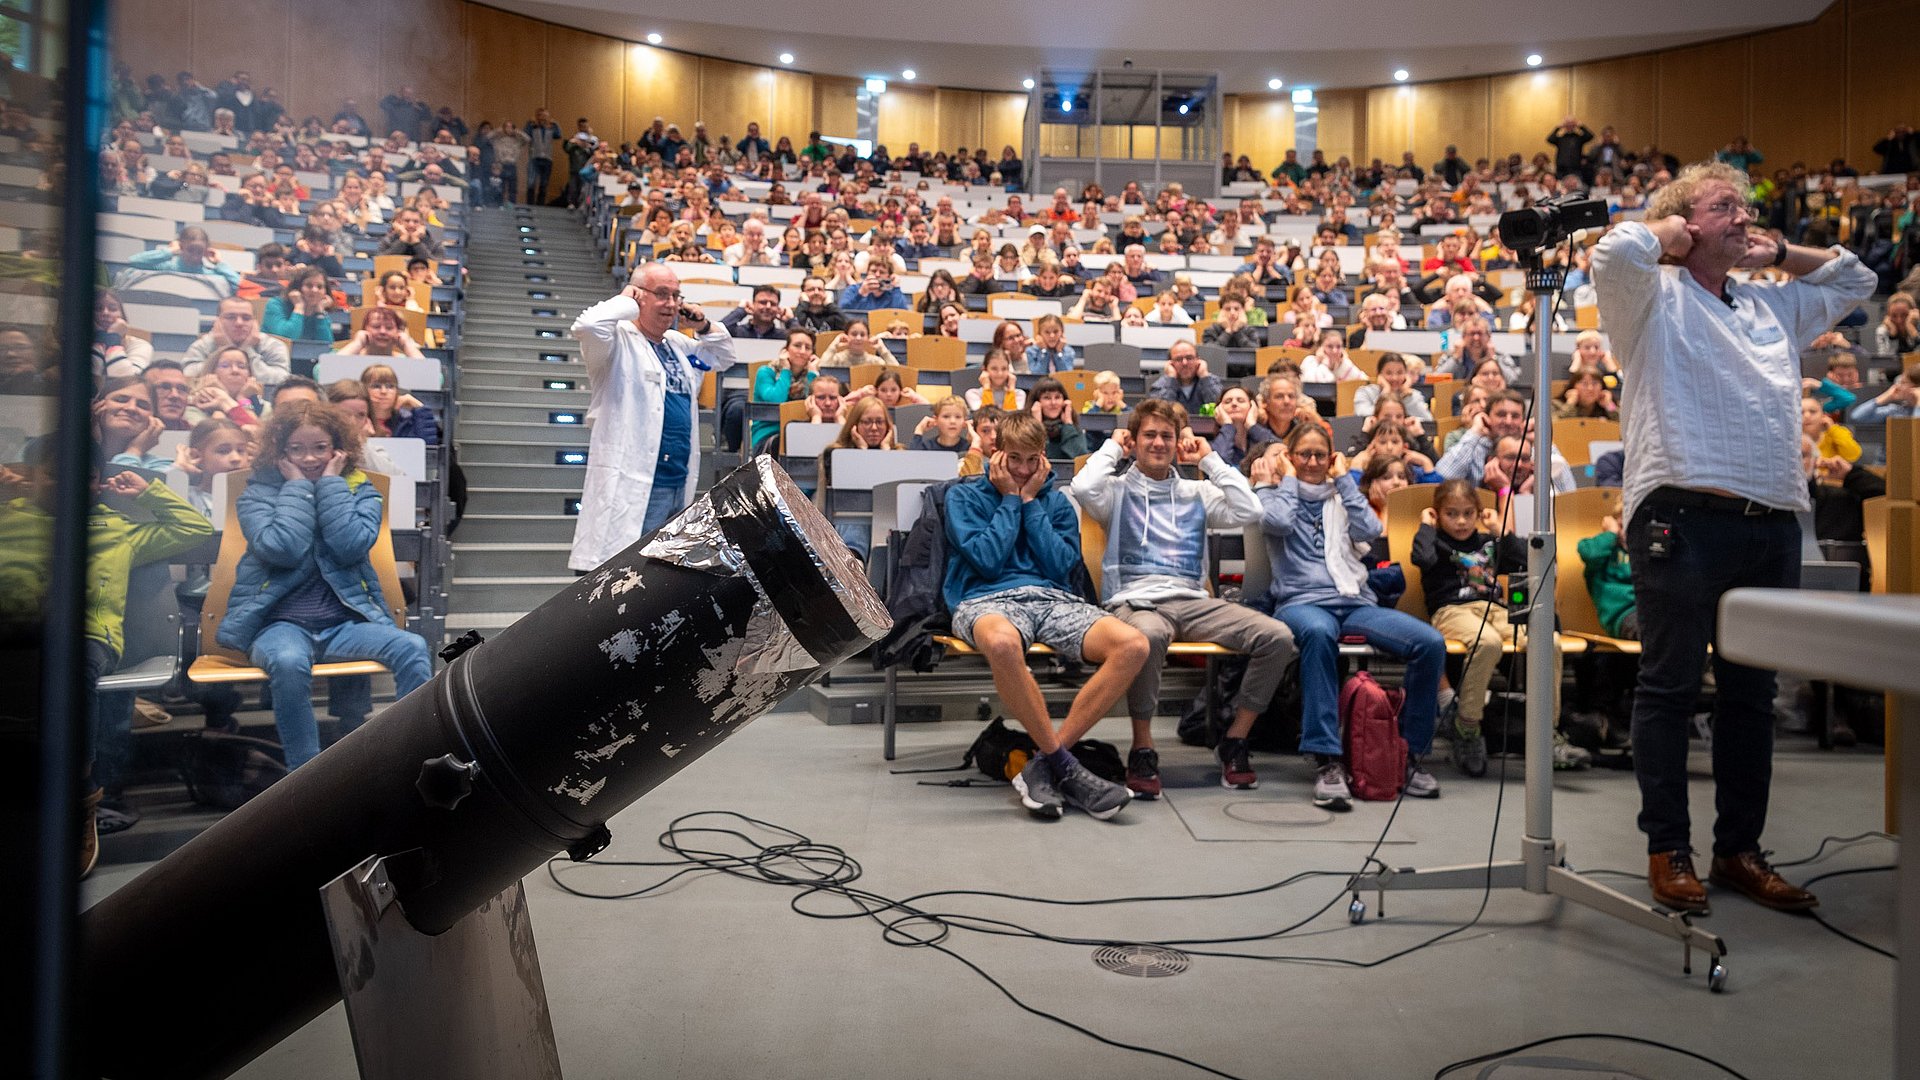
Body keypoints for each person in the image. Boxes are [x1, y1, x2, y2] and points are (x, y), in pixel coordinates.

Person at [1590, 160, 1875, 915]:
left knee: (1752, 696)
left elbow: (1857, 284)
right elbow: (1612, 251)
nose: (1744, 215)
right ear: (1684, 225)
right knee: (1670, 687)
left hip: (1771, 522)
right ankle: (1668, 848)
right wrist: (1674, 233)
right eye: (1724, 207)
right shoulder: (1651, 296)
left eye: (1746, 206)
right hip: (1681, 517)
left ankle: (1739, 851)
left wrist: (1778, 255)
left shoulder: (1768, 307)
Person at [1072, 400, 1292, 796]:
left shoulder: (1197, 491)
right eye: (1149, 435)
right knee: (1149, 637)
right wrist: (1112, 447)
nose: (1158, 443)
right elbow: (1083, 486)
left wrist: (1209, 461)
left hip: (1193, 601)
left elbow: (1250, 508)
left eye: (1166, 436)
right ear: (1134, 441)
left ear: (1178, 443)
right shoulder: (1116, 492)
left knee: (1277, 637)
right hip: (1135, 601)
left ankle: (1235, 739)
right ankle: (1143, 745)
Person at [942, 411, 1147, 820]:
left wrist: (1031, 502)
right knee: (1002, 643)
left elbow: (1060, 567)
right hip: (985, 599)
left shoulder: (1054, 501)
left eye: (1031, 460)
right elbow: (986, 560)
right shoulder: (962, 496)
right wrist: (1009, 500)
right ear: (997, 454)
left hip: (1054, 599)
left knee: (1133, 645)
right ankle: (1065, 765)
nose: (1021, 469)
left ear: (1043, 459)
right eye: (1013, 459)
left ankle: (1045, 763)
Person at [215, 401, 432, 770]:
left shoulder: (363, 490)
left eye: (319, 448)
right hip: (277, 624)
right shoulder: (256, 494)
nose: (310, 458)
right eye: (296, 449)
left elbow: (349, 546)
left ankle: (414, 755)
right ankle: (306, 775)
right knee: (286, 662)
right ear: (280, 451)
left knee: (413, 647)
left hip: (343, 623)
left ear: (337, 449)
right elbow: (282, 548)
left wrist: (330, 485)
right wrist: (299, 490)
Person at [1254, 424, 1445, 809]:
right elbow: (1278, 524)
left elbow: (1371, 530)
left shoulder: (1344, 495)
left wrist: (1343, 481)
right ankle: (1327, 759)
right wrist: (1288, 480)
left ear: (1332, 459)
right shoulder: (1273, 495)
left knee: (1429, 643)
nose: (1312, 462)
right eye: (1303, 454)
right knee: (1320, 634)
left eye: (1319, 455)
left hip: (1356, 601)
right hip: (1301, 602)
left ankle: (1410, 753)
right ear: (1291, 459)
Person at [567, 265, 738, 573]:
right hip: (634, 481)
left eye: (676, 295)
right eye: (661, 294)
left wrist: (703, 325)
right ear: (638, 296)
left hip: (676, 479)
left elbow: (723, 357)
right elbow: (588, 325)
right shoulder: (615, 342)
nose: (671, 304)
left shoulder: (677, 344)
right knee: (624, 576)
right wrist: (626, 301)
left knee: (657, 578)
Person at [1412, 479, 1580, 777]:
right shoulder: (1435, 542)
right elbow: (1422, 559)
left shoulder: (1487, 542)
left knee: (1548, 640)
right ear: (1438, 514)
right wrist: (1427, 525)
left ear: (1479, 512)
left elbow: (1526, 560)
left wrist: (1500, 529)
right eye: (1451, 514)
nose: (1461, 521)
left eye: (1468, 513)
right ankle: (1467, 726)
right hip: (1452, 611)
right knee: (1487, 642)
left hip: (1496, 609)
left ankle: (1546, 732)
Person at [750, 328, 817, 453]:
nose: (802, 351)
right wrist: (785, 370)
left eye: (808, 348)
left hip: (801, 432)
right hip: (768, 435)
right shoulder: (766, 372)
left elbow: (813, 403)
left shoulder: (812, 376)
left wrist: (812, 375)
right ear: (785, 350)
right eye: (797, 346)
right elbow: (777, 400)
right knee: (783, 442)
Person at [360, 363, 438, 441]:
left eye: (390, 386)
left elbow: (427, 447)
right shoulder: (357, 420)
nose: (383, 391)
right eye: (376, 386)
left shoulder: (406, 420)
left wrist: (417, 406)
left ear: (397, 391)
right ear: (364, 390)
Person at [261, 267, 336, 343]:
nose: (315, 290)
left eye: (320, 287)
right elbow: (286, 340)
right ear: (297, 288)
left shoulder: (320, 312)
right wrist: (299, 307)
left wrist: (320, 313)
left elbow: (327, 346)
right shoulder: (275, 305)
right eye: (309, 285)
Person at [1147, 340, 1223, 414]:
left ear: (1198, 360)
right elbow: (1161, 413)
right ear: (1170, 363)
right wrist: (1171, 380)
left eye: (1189, 358)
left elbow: (1220, 407)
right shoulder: (1159, 386)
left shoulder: (1211, 381)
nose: (1184, 363)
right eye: (1178, 359)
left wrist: (1205, 377)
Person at [1030, 377, 1086, 458]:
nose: (1053, 403)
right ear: (1037, 402)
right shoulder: (1025, 427)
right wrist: (1037, 425)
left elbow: (1080, 457)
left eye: (1057, 397)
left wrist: (1068, 423)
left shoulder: (1073, 428)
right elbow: (1038, 457)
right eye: (1047, 398)